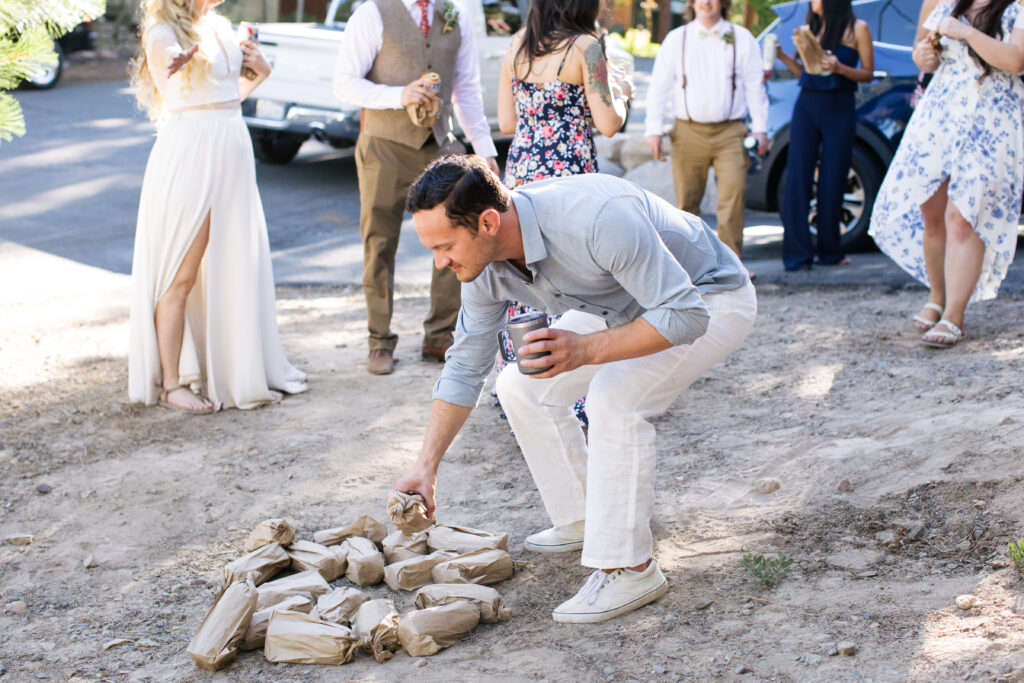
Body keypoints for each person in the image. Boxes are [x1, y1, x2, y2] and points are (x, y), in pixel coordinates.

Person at [393, 156, 757, 623]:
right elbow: (465, 366)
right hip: (626, 306)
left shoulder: (596, 221)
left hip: (708, 298)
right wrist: (426, 468)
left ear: (487, 222)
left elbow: (685, 315)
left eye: (444, 246)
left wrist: (587, 351)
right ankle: (587, 516)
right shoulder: (481, 266)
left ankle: (630, 567)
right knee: (518, 384)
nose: (440, 262)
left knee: (614, 397)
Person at [128, 0, 307, 412]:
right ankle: (171, 383)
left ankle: (230, 367)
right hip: (192, 152)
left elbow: (227, 99)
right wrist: (175, 61)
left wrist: (259, 73)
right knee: (181, 271)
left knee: (233, 263)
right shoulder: (162, 34)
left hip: (230, 144)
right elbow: (174, 81)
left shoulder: (221, 26)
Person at [333, 0, 499, 376]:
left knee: (459, 234)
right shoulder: (372, 13)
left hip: (439, 143)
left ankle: (440, 334)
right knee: (379, 242)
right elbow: (343, 84)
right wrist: (398, 94)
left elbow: (467, 89)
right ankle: (379, 340)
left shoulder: (456, 16)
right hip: (383, 144)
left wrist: (484, 149)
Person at [495, 0, 631, 424]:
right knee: (576, 275)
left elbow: (506, 122)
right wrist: (622, 94)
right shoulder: (586, 47)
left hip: (522, 175)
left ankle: (522, 382)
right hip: (568, 178)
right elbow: (609, 123)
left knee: (527, 276)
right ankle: (574, 393)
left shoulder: (518, 44)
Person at [870, 0, 1024, 347]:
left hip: (992, 114)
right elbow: (922, 53)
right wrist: (923, 56)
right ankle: (936, 297)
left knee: (962, 216)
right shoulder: (941, 1)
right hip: (941, 110)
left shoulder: (1016, 6)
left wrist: (966, 31)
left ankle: (954, 315)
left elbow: (1016, 60)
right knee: (932, 211)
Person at [645, 0, 769, 261]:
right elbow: (659, 87)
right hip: (687, 131)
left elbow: (755, 87)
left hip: (731, 132)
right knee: (686, 205)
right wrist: (653, 129)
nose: (706, 2)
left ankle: (732, 267)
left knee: (733, 199)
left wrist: (760, 129)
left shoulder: (741, 38)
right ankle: (689, 267)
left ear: (723, 3)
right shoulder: (676, 39)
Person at [776, 0, 874, 271]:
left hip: (839, 108)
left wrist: (840, 68)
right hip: (806, 107)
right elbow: (808, 74)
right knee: (798, 178)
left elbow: (868, 73)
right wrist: (784, 57)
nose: (812, 1)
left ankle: (830, 251)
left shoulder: (857, 29)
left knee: (834, 177)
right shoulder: (811, 28)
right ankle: (797, 256)